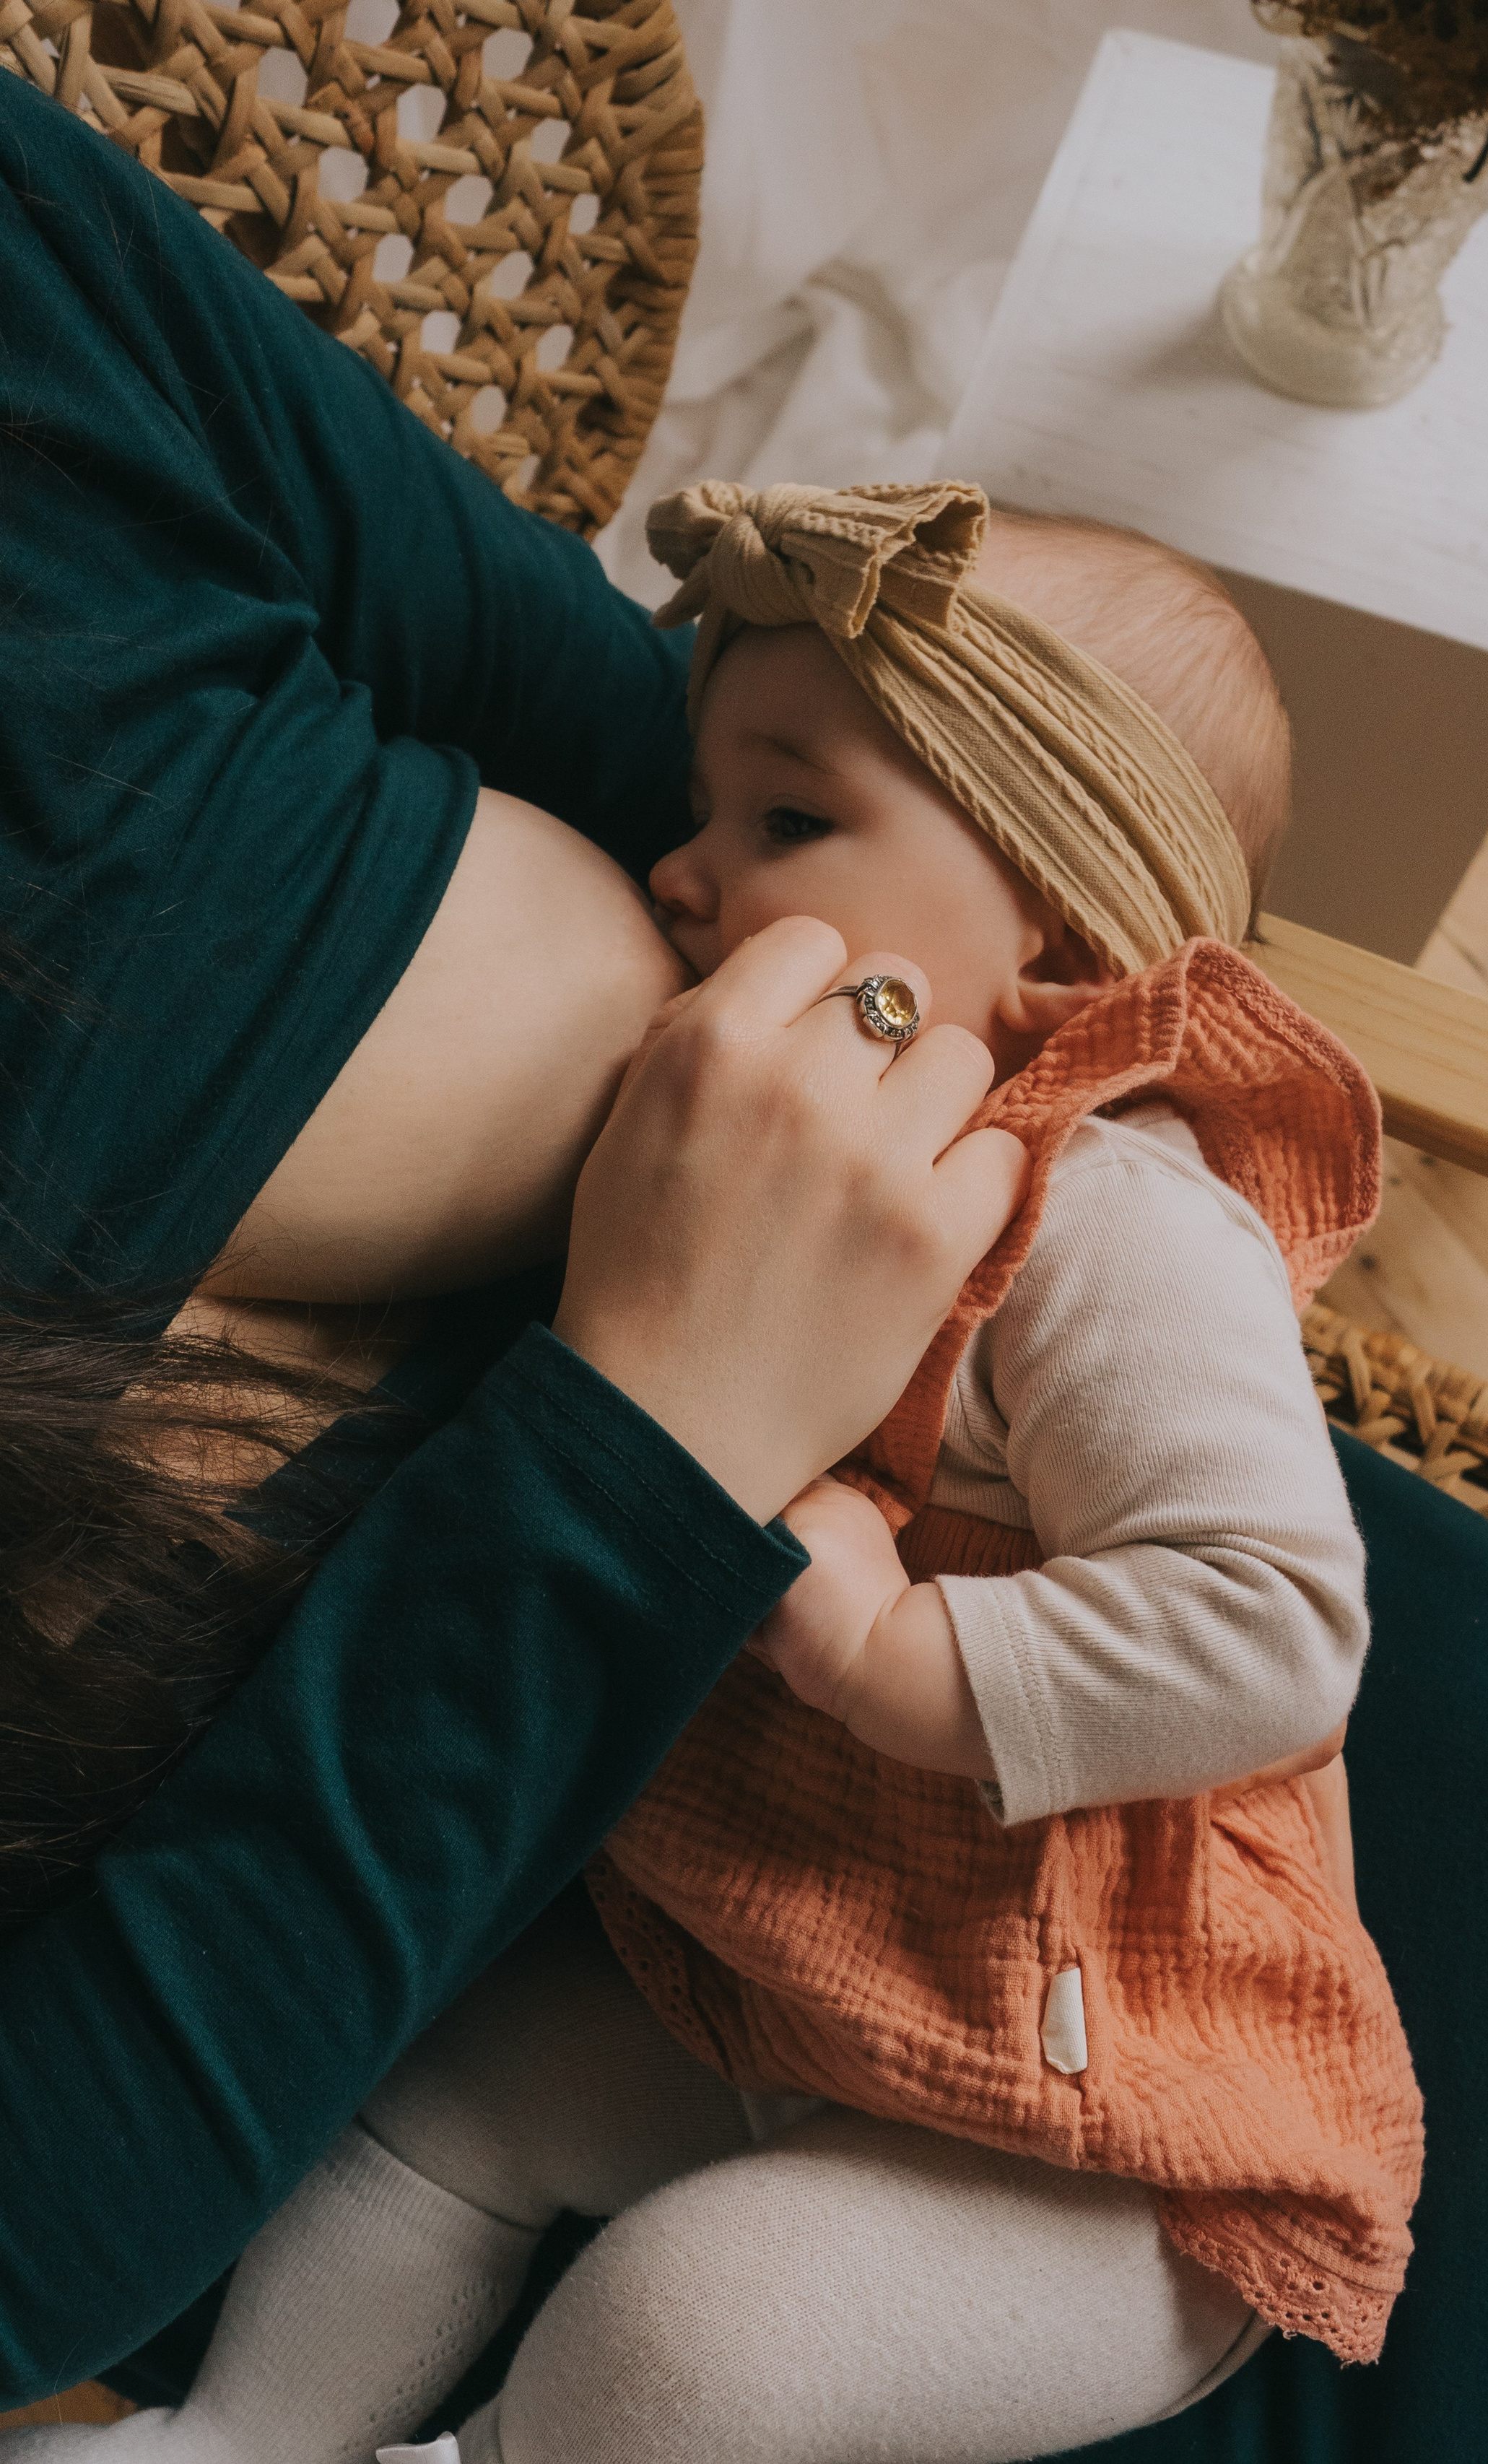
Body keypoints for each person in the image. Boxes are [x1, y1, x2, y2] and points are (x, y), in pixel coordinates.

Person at [10, 482, 1422, 2464]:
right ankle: (237, 2438)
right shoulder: (805, 1155)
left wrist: (891, 1657)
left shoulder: (1114, 1226)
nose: (684, 876)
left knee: (693, 2333)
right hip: (818, 1978)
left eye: (786, 821)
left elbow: (1275, 1630)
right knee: (439, 2097)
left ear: (1050, 909)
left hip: (1097, 2122)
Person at [0, 73, 1023, 2403]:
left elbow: (630, 717)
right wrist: (652, 1434)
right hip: (401, 2030)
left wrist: (910, 968)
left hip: (1002, 1495)